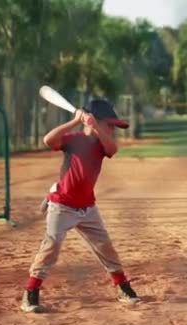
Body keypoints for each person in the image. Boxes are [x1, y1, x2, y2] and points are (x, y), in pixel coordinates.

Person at [21, 99, 140, 313]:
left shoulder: (102, 145)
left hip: (87, 207)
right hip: (62, 205)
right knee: (52, 245)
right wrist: (75, 120)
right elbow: (48, 140)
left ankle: (123, 287)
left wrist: (96, 127)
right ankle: (30, 293)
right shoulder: (74, 140)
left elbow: (113, 148)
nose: (112, 129)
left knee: (105, 246)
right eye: (109, 124)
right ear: (92, 119)